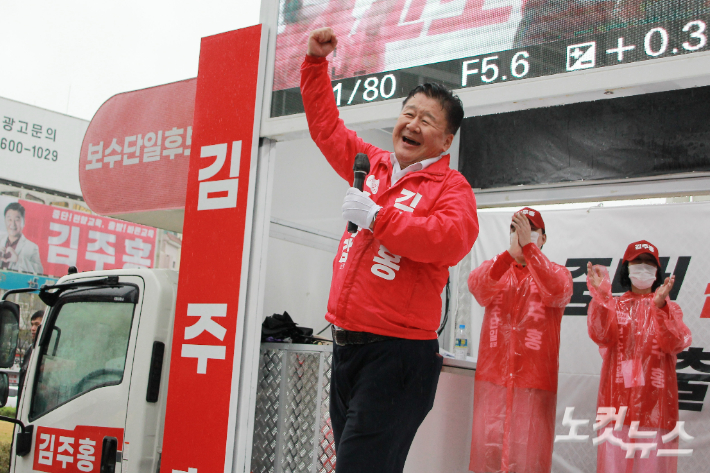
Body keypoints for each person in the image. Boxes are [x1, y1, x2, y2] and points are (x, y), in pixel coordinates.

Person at [302, 27, 479, 473]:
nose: (412, 125)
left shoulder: (452, 187)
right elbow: (326, 128)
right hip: (347, 349)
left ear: (446, 140)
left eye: (427, 120)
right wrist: (315, 65)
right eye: (409, 113)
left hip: (398, 356)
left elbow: (451, 239)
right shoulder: (372, 163)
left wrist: (379, 219)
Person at [467, 208, 573, 473]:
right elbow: (477, 286)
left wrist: (530, 251)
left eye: (530, 230)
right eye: (515, 229)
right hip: (493, 383)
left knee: (528, 461)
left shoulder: (558, 273)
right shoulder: (498, 268)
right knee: (488, 456)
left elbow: (557, 292)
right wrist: (508, 256)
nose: (522, 235)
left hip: (533, 386)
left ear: (543, 239)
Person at [587, 240, 691, 473]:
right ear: (626, 268)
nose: (643, 268)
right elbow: (601, 335)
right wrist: (602, 298)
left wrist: (660, 307)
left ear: (657, 272)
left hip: (655, 410)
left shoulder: (669, 309)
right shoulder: (614, 306)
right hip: (616, 410)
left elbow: (676, 342)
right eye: (637, 262)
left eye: (648, 263)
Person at [1, 202, 43, 274]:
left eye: (17, 220)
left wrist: (18, 259)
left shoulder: (32, 247)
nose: (13, 224)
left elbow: (39, 272)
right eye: (9, 219)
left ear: (24, 222)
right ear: (5, 221)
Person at [18, 310, 44, 401]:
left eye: (37, 324)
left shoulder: (49, 350)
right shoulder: (30, 349)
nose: (33, 328)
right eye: (32, 324)